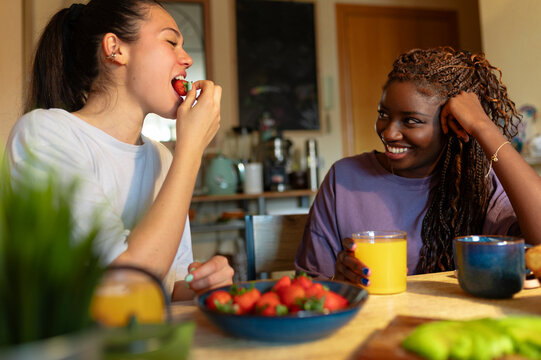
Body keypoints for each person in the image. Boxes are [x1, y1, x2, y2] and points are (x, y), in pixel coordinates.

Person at [5, 0, 234, 300]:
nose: (188, 59)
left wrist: (200, 285)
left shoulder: (162, 158)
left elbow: (167, 284)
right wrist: (191, 149)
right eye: (171, 42)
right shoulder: (44, 134)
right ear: (115, 48)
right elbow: (126, 286)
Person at [295, 47, 541, 286]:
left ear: (454, 125)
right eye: (383, 114)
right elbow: (308, 287)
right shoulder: (344, 179)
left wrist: (482, 126)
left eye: (411, 121)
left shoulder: (482, 183)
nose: (389, 132)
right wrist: (339, 281)